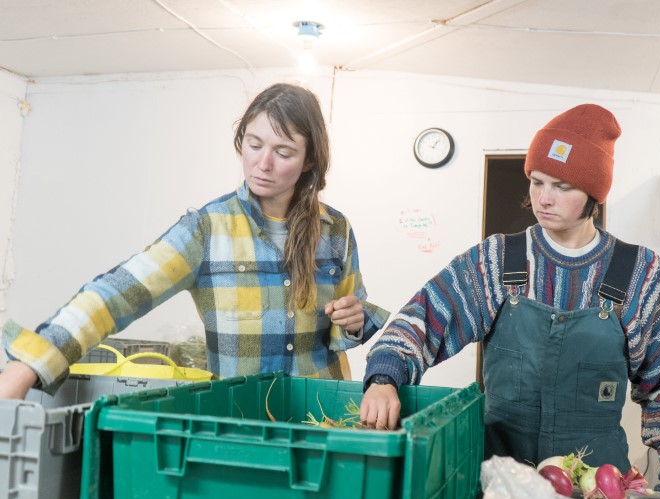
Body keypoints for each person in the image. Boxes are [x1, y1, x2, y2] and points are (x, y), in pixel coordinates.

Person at [359, 104, 660, 499]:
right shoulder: (496, 262)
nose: (544, 199)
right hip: (502, 483)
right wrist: (384, 377)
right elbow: (425, 316)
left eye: (562, 186)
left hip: (596, 487)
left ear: (594, 193)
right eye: (536, 182)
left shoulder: (641, 274)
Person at [0, 82, 389, 399]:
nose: (263, 164)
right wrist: (29, 364)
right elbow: (118, 293)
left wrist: (355, 320)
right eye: (254, 145)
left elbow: (351, 319)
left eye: (283, 152)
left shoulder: (335, 229)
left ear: (308, 161)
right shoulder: (207, 229)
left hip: (323, 417)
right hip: (240, 423)